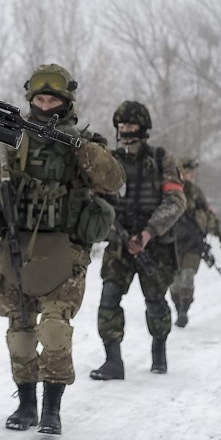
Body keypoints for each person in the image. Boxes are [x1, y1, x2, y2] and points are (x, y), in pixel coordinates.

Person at [0, 64, 124, 435]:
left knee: (55, 330)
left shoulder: (81, 144)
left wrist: (81, 147)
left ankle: (52, 408)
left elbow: (114, 179)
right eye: (39, 98)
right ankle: (26, 404)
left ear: (66, 101)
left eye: (52, 98)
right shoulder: (13, 138)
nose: (44, 104)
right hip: (17, 245)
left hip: (64, 249)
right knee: (20, 332)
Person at [90, 101, 185, 379]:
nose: (125, 130)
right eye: (121, 126)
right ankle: (113, 361)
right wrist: (113, 229)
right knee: (109, 299)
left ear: (143, 128)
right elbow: (96, 197)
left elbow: (176, 200)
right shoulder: (110, 159)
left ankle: (159, 351)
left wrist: (148, 232)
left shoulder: (162, 159)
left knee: (155, 301)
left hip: (154, 245)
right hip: (119, 242)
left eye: (131, 125)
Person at [170, 157, 221, 328]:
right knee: (174, 281)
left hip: (193, 244)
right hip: (172, 243)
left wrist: (220, 235)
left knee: (187, 275)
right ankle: (178, 306)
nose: (191, 175)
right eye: (188, 172)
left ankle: (183, 311)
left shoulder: (196, 192)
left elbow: (208, 214)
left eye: (192, 172)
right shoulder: (169, 190)